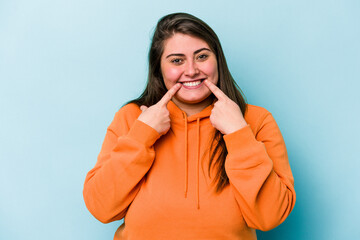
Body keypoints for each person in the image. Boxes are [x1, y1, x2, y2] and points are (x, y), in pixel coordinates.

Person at [83, 12, 296, 240]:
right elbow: (101, 208)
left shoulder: (255, 120)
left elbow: (270, 216)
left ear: (218, 61)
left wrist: (238, 134)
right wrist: (142, 135)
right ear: (159, 69)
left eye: (202, 56)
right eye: (177, 60)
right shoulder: (133, 118)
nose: (192, 70)